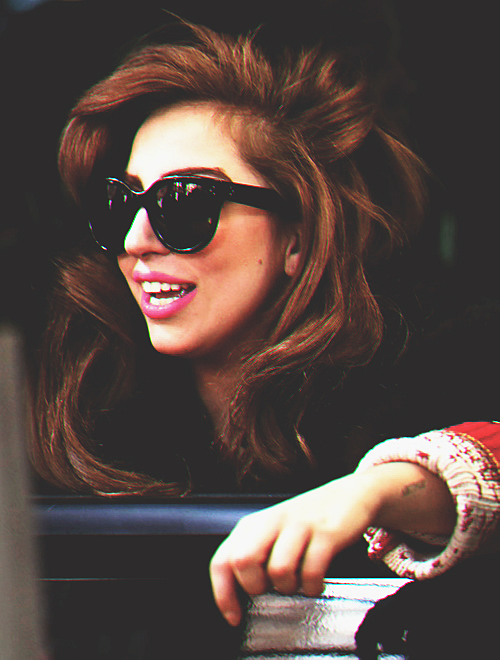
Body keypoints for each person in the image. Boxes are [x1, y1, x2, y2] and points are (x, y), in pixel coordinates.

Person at [30, 20, 500, 633]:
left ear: (298, 237)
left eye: (186, 203)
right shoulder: (76, 411)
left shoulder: (443, 361)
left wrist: (381, 490)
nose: (136, 240)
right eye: (122, 205)